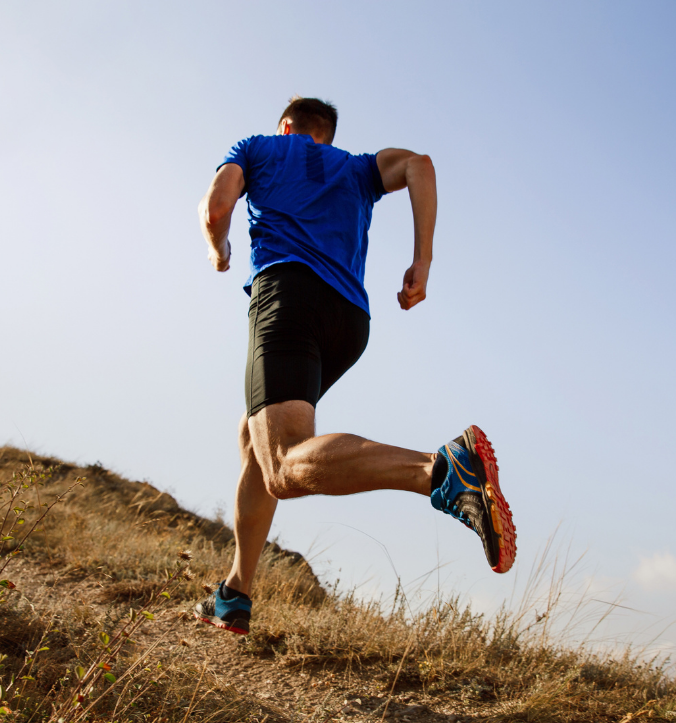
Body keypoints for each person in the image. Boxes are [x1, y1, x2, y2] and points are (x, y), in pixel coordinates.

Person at [194, 97, 516, 635]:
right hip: (349, 320)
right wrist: (422, 262)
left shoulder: (259, 148)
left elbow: (215, 207)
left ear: (289, 127)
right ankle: (235, 592)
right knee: (256, 437)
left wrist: (220, 248)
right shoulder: (359, 167)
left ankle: (439, 470)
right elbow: (421, 166)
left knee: (282, 465)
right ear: (329, 132)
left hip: (288, 295)